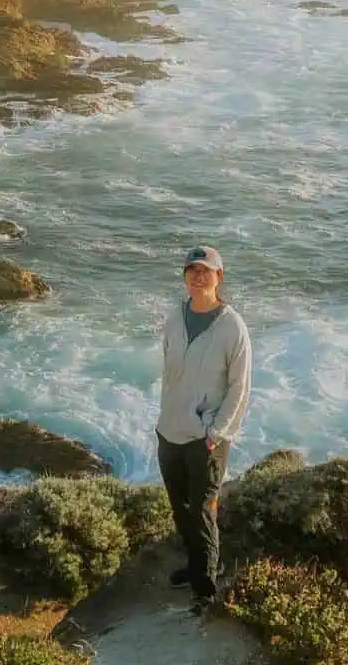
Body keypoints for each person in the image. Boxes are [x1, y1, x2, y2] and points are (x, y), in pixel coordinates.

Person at [156, 243, 251, 602]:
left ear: (218, 277)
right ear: (185, 276)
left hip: (206, 439)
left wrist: (217, 432)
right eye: (192, 270)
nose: (198, 276)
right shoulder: (175, 317)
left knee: (201, 512)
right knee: (181, 510)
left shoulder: (232, 327)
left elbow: (240, 386)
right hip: (169, 432)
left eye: (205, 271)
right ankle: (198, 566)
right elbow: (170, 372)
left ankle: (205, 591)